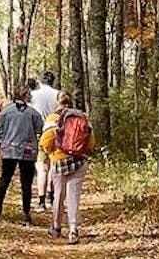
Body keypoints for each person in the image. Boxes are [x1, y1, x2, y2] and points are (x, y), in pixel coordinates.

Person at [40, 91, 95, 244]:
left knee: (58, 194)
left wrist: (51, 154)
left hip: (59, 160)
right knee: (74, 196)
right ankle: (73, 230)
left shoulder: (53, 118)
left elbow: (45, 142)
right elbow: (91, 142)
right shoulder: (83, 117)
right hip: (79, 161)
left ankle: (56, 227)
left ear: (57, 102)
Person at [0, 85, 43, 223]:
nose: (31, 96)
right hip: (28, 151)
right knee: (26, 182)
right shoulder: (33, 113)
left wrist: (1, 144)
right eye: (29, 94)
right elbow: (40, 131)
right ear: (25, 96)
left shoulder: (6, 112)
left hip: (9, 150)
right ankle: (26, 212)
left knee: (5, 179)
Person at [29, 72, 61, 210]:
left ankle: (41, 201)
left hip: (39, 133)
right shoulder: (58, 94)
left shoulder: (33, 95)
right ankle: (50, 196)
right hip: (55, 132)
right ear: (53, 82)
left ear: (40, 81)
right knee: (53, 165)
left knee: (42, 167)